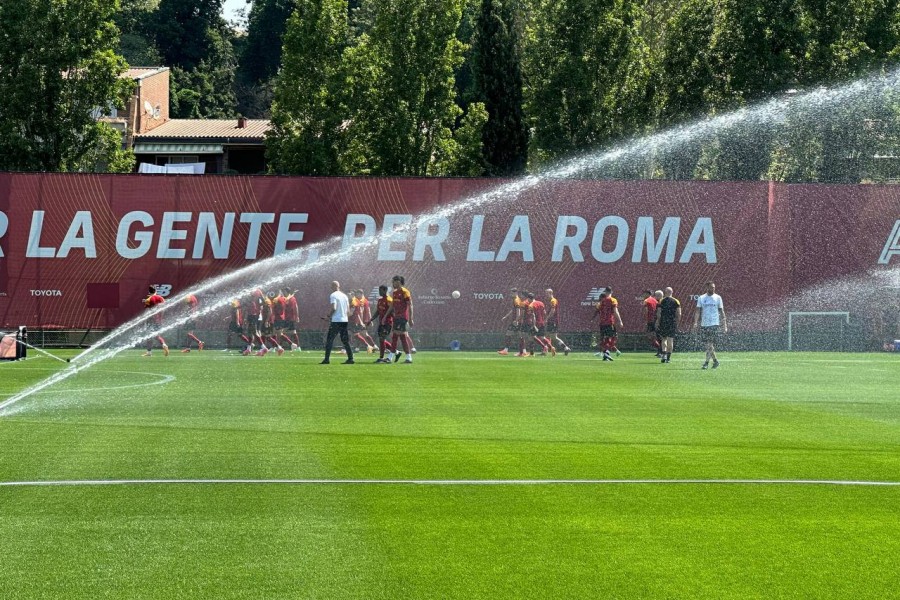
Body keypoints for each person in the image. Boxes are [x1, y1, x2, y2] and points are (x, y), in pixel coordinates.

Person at [693, 281, 727, 369]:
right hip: (704, 324)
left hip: (714, 324)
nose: (713, 289)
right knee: (708, 344)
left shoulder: (718, 297)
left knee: (709, 344)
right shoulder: (701, 298)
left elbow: (722, 311)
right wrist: (696, 322)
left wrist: (724, 324)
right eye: (711, 287)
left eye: (714, 287)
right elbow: (697, 311)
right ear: (707, 288)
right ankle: (715, 361)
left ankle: (706, 363)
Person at [382, 275, 414, 363]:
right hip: (396, 317)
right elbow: (392, 305)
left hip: (402, 317)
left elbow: (410, 305)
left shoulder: (405, 292)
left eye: (393, 282)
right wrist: (385, 316)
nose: (392, 283)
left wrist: (411, 318)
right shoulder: (395, 292)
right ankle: (408, 357)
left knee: (395, 336)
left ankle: (390, 357)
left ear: (398, 282)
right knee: (402, 337)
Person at [321, 281, 354, 364]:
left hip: (336, 321)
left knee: (329, 340)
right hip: (344, 320)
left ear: (333, 286)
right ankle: (350, 358)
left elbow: (334, 308)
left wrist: (328, 317)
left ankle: (326, 359)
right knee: (345, 340)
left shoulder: (333, 295)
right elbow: (348, 311)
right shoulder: (344, 296)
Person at [592, 288, 623, 361]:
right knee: (613, 338)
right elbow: (616, 311)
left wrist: (592, 319)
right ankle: (607, 351)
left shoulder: (602, 301)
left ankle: (605, 355)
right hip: (609, 322)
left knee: (604, 339)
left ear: (605, 292)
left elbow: (597, 310)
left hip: (602, 323)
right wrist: (620, 321)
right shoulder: (613, 300)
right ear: (611, 292)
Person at [369, 285, 395, 363]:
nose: (379, 292)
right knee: (381, 340)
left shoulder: (389, 299)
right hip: (381, 323)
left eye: (381, 291)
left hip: (387, 323)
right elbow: (377, 312)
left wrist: (394, 323)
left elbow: (393, 311)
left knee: (382, 339)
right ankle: (396, 352)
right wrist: (371, 319)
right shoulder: (380, 300)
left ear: (385, 290)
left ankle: (381, 358)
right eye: (379, 291)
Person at [655, 287, 681, 363]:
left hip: (664, 322)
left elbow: (659, 313)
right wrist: (677, 322)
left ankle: (664, 355)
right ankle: (668, 358)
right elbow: (679, 313)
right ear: (672, 292)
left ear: (665, 292)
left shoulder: (661, 301)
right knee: (670, 340)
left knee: (664, 339)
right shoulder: (676, 301)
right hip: (672, 322)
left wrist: (658, 321)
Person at [142, 285, 169, 357]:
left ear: (149, 291)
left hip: (151, 320)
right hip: (159, 320)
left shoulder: (149, 299)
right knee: (153, 336)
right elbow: (163, 308)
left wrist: (145, 301)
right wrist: (160, 317)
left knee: (150, 336)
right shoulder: (160, 298)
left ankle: (162, 345)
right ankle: (150, 352)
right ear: (156, 291)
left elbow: (147, 309)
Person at [545, 288, 570, 355]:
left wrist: (547, 318)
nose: (545, 295)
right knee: (547, 335)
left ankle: (565, 348)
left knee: (553, 337)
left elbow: (553, 311)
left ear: (551, 293)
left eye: (547, 293)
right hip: (551, 321)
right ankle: (547, 350)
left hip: (553, 322)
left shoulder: (553, 300)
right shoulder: (550, 301)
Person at [498, 288, 522, 355]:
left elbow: (518, 311)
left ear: (515, 293)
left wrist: (516, 320)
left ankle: (506, 350)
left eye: (511, 293)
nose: (510, 294)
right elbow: (513, 310)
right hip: (516, 320)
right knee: (520, 335)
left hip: (515, 321)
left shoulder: (516, 300)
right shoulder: (516, 299)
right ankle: (523, 351)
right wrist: (506, 316)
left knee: (509, 334)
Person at [640, 290, 661, 356]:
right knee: (657, 336)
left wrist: (645, 320)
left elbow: (645, 311)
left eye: (644, 294)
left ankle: (660, 349)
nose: (643, 296)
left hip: (650, 321)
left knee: (650, 336)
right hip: (656, 320)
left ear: (647, 294)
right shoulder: (655, 300)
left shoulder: (646, 300)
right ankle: (660, 350)